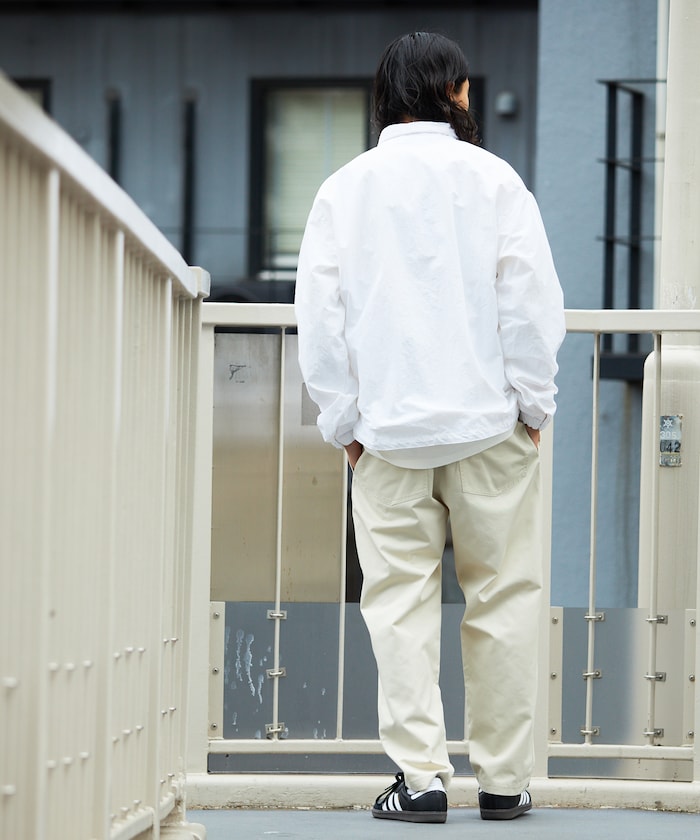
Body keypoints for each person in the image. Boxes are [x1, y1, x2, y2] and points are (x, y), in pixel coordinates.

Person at [295, 31, 565, 824]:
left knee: (399, 606)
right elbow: (529, 303)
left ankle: (420, 781)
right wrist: (533, 408)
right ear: (452, 92)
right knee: (504, 601)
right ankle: (505, 782)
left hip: (386, 437)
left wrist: (344, 424)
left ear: (386, 96)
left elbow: (320, 321)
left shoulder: (343, 189)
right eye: (465, 86)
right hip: (489, 430)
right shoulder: (496, 180)